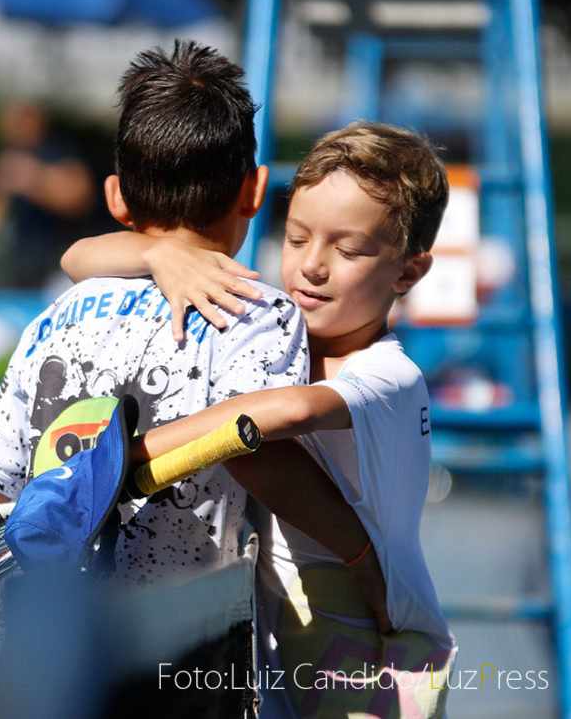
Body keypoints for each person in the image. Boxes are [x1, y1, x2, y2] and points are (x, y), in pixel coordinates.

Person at [0, 42, 387, 716]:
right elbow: (257, 454)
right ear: (254, 190)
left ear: (115, 197)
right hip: (175, 667)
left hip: (34, 668)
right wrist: (362, 553)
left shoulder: (60, 315)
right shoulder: (258, 315)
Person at [61, 121, 458, 717]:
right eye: (296, 239)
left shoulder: (390, 376)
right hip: (278, 633)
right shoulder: (275, 329)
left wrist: (126, 457)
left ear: (407, 273)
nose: (312, 267)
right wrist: (160, 252)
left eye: (347, 250)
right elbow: (77, 258)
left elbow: (287, 413)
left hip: (373, 641)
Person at [0, 100, 97, 289]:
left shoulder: (57, 153)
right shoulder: (6, 156)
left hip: (56, 256)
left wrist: (34, 180)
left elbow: (79, 198)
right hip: (19, 258)